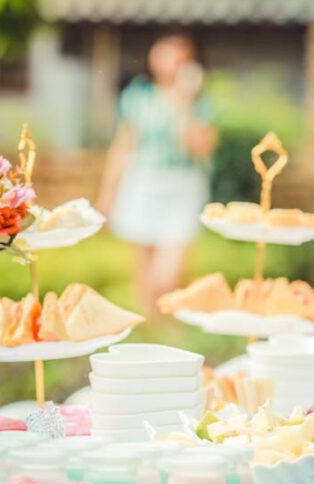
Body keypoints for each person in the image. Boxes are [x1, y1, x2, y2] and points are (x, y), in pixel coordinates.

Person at [97, 34, 218, 310]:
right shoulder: (139, 96)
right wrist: (108, 195)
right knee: (144, 272)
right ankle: (152, 332)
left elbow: (200, 148)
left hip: (183, 185)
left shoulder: (199, 104)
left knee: (168, 275)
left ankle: (170, 325)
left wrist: (183, 105)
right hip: (144, 182)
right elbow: (122, 147)